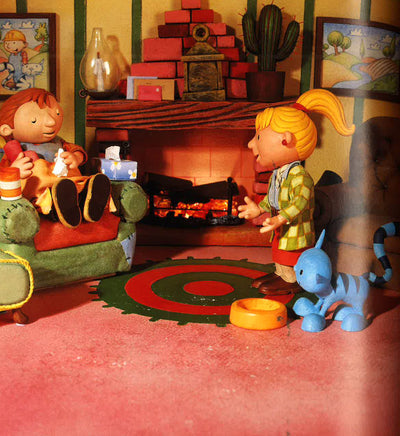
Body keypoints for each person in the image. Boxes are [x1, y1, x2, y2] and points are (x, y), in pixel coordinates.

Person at [238, 89, 355, 295]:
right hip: (281, 228)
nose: (251, 143)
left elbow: (300, 202)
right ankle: (281, 274)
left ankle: (293, 279)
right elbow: (272, 199)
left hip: (295, 229)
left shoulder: (300, 176)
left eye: (258, 137)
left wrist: (281, 218)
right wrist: (259, 209)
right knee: (279, 252)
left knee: (291, 254)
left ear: (286, 139)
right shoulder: (277, 174)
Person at [0, 88, 111, 228]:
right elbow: (4, 175)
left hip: (70, 182)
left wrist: (75, 158)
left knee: (77, 187)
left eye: (57, 113)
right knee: (50, 198)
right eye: (34, 120)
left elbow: (78, 151)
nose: (52, 122)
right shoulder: (14, 150)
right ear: (6, 129)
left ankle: (89, 200)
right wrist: (16, 170)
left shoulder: (59, 142)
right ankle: (62, 209)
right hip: (43, 191)